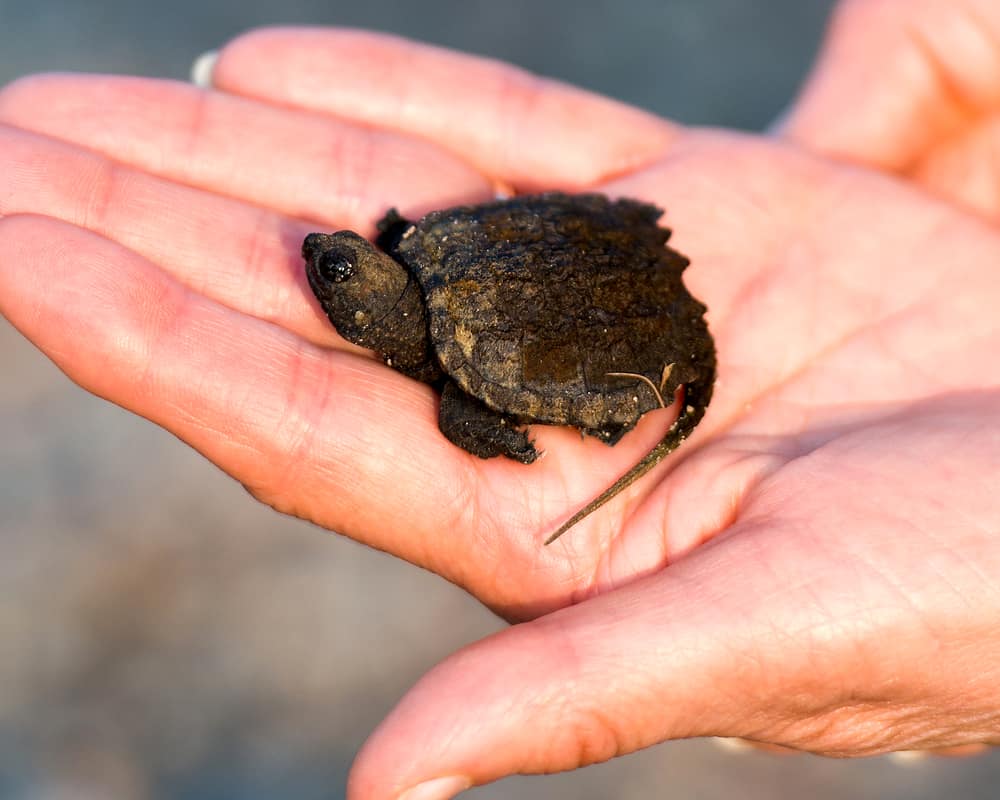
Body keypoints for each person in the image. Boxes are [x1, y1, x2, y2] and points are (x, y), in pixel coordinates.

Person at [1, 2, 998, 798]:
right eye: (341, 266)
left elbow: (473, 401)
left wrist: (501, 434)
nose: (328, 255)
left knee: (461, 416)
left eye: (337, 267)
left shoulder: (445, 314)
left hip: (639, 331)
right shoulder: (425, 245)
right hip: (604, 266)